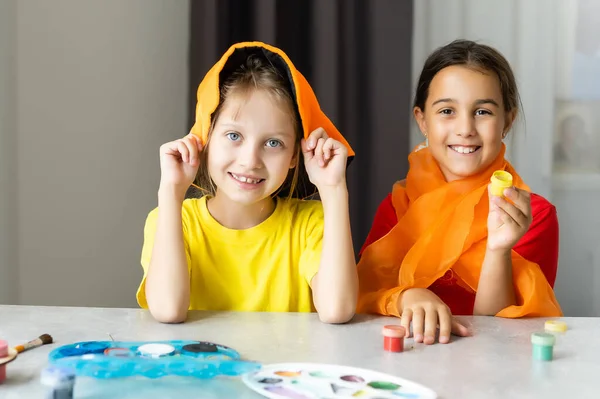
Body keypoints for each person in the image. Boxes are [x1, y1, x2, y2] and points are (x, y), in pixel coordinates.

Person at [357, 39, 562, 345]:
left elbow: (500, 334)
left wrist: (498, 249)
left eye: (482, 112)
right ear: (422, 120)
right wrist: (407, 296)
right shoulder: (399, 206)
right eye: (447, 111)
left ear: (508, 120)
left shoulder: (533, 216)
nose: (465, 128)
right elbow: (363, 293)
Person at [137, 42, 358, 324]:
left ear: (294, 156)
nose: (250, 160)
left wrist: (334, 189)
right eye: (233, 136)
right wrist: (171, 190)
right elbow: (168, 310)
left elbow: (337, 310)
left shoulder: (312, 224)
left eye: (273, 143)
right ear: (204, 138)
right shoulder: (171, 220)